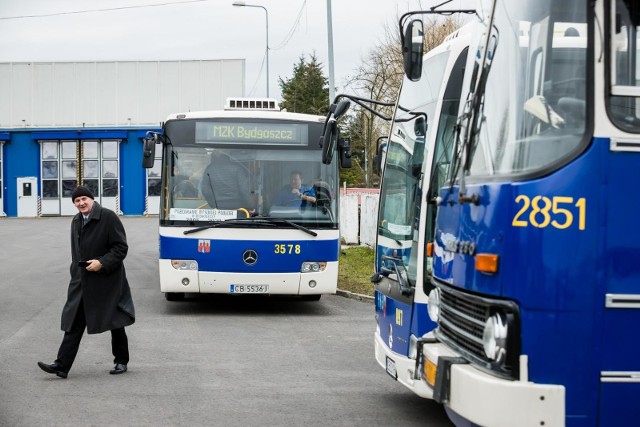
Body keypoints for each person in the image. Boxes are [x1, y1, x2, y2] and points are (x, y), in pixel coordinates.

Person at [37, 186, 135, 378]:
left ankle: (121, 361)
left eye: (84, 199)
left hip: (108, 280)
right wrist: (75, 273)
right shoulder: (76, 221)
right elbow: (76, 252)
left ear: (92, 199)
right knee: (74, 321)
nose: (81, 203)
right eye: (77, 201)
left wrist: (102, 263)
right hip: (83, 280)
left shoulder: (108, 217)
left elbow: (121, 248)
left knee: (115, 321)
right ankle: (61, 365)